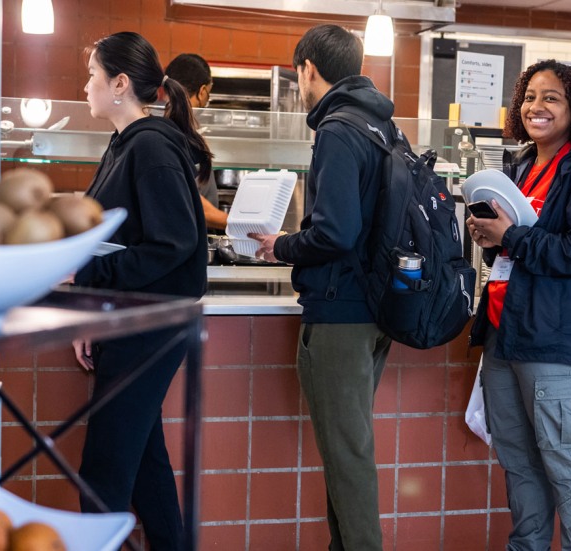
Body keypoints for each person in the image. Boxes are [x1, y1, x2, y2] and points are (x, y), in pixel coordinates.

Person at [249, 24, 393, 551]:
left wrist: (282, 245)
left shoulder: (336, 128)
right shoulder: (382, 125)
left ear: (307, 68)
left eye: (298, 72)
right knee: (346, 451)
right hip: (376, 307)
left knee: (348, 455)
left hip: (339, 313)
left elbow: (335, 231)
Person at [466, 59, 571, 550]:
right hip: (505, 335)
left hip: (555, 342)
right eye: (531, 96)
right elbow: (516, 248)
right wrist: (490, 237)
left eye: (552, 97)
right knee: (519, 463)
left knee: (567, 462)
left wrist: (510, 234)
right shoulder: (519, 168)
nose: (537, 106)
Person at [71, 31, 210, 551]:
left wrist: (85, 276)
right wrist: (90, 312)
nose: (86, 85)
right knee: (146, 468)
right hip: (128, 323)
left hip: (151, 328)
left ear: (120, 84)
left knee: (102, 477)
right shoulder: (126, 142)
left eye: (92, 74)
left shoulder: (150, 146)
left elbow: (173, 245)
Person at [164, 52, 228, 231]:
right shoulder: (172, 133)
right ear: (202, 91)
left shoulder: (168, 128)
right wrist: (235, 224)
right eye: (208, 92)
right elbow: (189, 200)